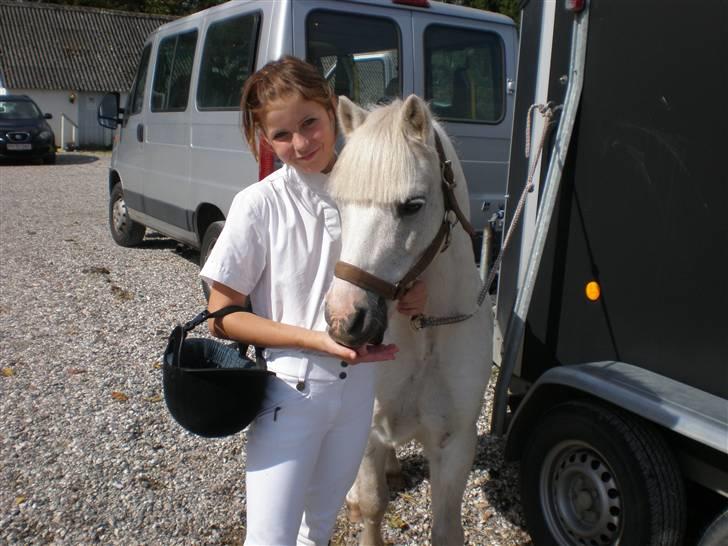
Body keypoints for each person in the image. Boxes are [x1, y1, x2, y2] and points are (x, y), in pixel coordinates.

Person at [200, 56, 427, 546]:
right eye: (281, 135)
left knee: (318, 530)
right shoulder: (258, 205)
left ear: (331, 112)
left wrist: (413, 287)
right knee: (269, 539)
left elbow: (397, 251)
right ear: (264, 138)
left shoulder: (368, 189)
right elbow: (221, 315)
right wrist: (316, 341)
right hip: (290, 394)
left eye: (310, 123)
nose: (300, 144)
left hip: (358, 391)